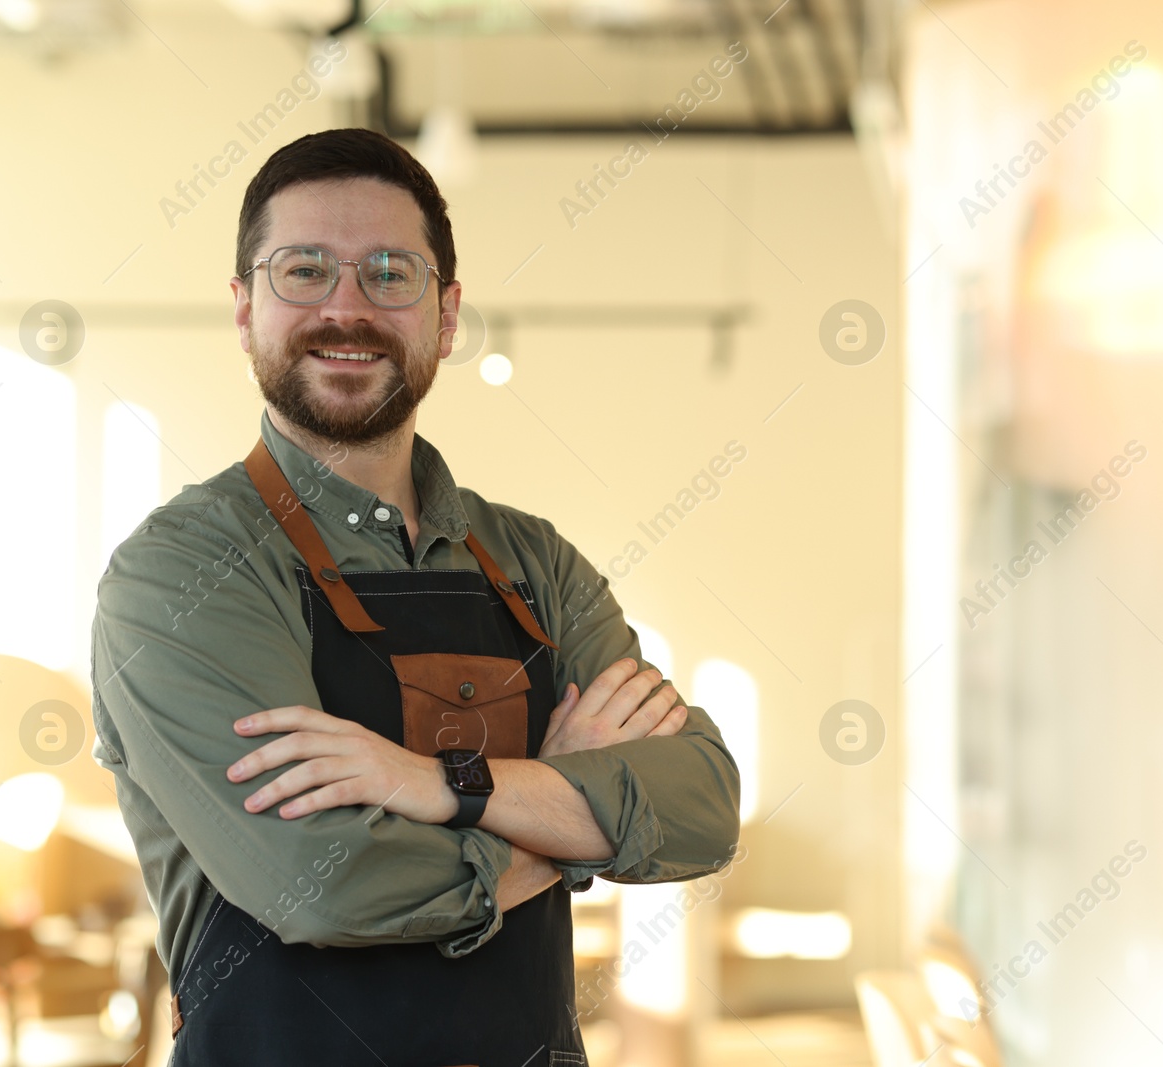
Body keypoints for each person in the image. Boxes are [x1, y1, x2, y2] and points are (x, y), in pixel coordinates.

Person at [89, 127, 742, 1065]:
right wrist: (563, 824)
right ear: (243, 309)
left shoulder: (534, 562)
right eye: (304, 271)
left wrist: (437, 784)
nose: (345, 309)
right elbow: (327, 882)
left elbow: (702, 805)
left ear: (445, 314)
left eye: (390, 274)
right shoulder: (187, 571)